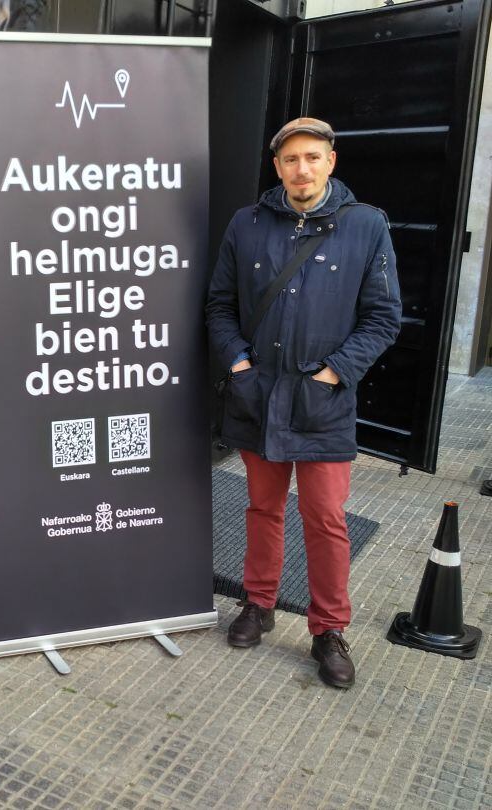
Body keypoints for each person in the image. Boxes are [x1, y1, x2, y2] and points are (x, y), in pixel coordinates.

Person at [206, 117, 401, 689]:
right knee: (262, 509)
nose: (302, 169)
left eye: (313, 157)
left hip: (324, 400)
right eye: (292, 159)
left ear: (331, 162)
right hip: (258, 394)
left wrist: (334, 373)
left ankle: (328, 629)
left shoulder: (366, 226)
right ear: (278, 167)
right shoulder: (247, 224)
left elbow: (385, 316)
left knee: (326, 518)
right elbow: (219, 304)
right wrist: (238, 362)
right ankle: (258, 605)